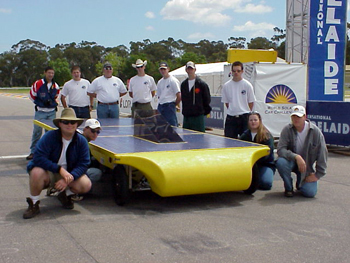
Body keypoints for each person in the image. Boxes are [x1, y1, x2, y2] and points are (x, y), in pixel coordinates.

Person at [23, 108, 91, 219]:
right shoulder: (49, 137)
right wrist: (59, 170)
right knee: (36, 172)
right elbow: (38, 157)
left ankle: (66, 194)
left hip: (68, 173)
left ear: (77, 124)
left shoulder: (81, 141)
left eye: (73, 122)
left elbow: (84, 164)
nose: (69, 125)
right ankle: (34, 203)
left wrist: (68, 178)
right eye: (65, 122)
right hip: (49, 172)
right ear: (60, 124)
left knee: (86, 184)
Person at [276, 105, 327, 198]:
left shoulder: (315, 132)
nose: (296, 119)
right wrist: (296, 157)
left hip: (307, 167)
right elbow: (280, 150)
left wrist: (317, 175)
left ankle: (300, 183)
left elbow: (322, 154)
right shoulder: (287, 129)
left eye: (299, 117)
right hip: (291, 161)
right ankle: (288, 188)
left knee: (309, 193)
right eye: (294, 117)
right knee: (281, 162)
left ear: (305, 117)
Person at [26, 66, 60, 160]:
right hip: (40, 112)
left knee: (50, 133)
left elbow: (56, 96)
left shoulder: (55, 86)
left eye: (52, 73)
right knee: (37, 132)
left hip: (51, 112)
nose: (50, 75)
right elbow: (32, 96)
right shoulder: (38, 84)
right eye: (49, 73)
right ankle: (33, 152)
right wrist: (40, 103)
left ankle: (49, 152)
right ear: (45, 73)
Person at [239, 111, 275, 190]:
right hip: (248, 165)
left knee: (266, 184)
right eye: (251, 120)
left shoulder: (267, 136)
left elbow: (267, 155)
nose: (253, 122)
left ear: (259, 121)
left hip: (265, 164)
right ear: (248, 122)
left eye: (255, 120)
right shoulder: (244, 135)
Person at [222, 61, 256, 139]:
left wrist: (244, 111)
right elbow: (226, 103)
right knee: (229, 141)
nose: (236, 73)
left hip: (244, 117)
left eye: (238, 71)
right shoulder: (226, 86)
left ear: (242, 71)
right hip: (231, 117)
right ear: (231, 72)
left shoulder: (247, 85)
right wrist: (234, 110)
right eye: (234, 71)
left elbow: (251, 102)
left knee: (246, 141)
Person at [180, 61, 211, 132]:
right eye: (188, 69)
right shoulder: (183, 85)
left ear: (195, 70)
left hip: (198, 116)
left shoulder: (201, 84)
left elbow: (207, 99)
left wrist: (202, 112)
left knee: (199, 138)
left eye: (191, 69)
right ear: (186, 70)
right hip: (187, 116)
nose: (190, 71)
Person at [156, 62, 181, 126]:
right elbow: (159, 95)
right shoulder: (159, 82)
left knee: (172, 126)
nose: (163, 71)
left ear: (168, 69)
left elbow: (179, 95)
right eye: (161, 69)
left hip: (169, 105)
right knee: (160, 125)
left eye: (164, 69)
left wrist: (174, 104)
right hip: (161, 105)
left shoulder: (173, 80)